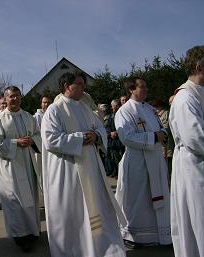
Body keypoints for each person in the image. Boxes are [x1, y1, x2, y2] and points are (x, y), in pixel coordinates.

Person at [41, 71, 126, 257]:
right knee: (74, 212)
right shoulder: (54, 110)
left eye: (83, 84)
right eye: (78, 84)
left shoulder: (86, 108)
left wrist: (96, 136)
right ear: (66, 86)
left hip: (90, 169)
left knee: (95, 208)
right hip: (68, 170)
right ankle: (75, 249)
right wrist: (81, 137)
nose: (83, 87)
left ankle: (99, 248)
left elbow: (100, 129)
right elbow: (50, 140)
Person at [114, 77, 171, 247]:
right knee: (138, 199)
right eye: (142, 87)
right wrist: (154, 136)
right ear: (131, 89)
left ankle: (160, 234)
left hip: (155, 158)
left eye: (146, 86)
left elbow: (162, 127)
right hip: (137, 161)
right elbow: (127, 137)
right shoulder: (124, 111)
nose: (146, 89)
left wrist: (162, 133)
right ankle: (135, 237)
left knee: (157, 196)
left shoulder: (150, 108)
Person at [169, 45, 204, 257]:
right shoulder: (185, 98)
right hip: (195, 168)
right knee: (200, 220)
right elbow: (196, 137)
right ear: (199, 67)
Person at [0, 86, 42, 252]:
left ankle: (33, 231)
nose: (15, 99)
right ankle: (20, 237)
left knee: (30, 200)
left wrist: (32, 141)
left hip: (27, 164)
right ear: (5, 99)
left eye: (17, 96)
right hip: (9, 167)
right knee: (15, 203)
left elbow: (39, 135)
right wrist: (15, 143)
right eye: (11, 97)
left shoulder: (28, 116)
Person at [104, 99, 123, 178]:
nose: (112, 108)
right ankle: (116, 172)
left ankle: (121, 173)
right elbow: (106, 127)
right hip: (113, 142)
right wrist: (110, 133)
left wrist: (119, 132)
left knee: (122, 158)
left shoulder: (124, 115)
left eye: (113, 106)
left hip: (122, 141)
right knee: (114, 158)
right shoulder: (110, 117)